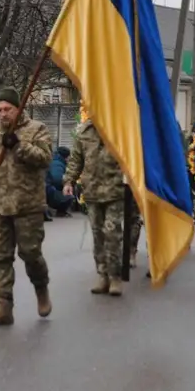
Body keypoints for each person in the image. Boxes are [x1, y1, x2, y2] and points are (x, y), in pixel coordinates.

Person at [0, 87, 54, 326]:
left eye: (8, 109)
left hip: (28, 205)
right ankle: (4, 305)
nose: (3, 114)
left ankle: (41, 288)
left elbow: (45, 159)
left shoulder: (37, 130)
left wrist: (19, 146)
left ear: (18, 109)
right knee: (1, 256)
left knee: (30, 253)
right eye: (0, 109)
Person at [65, 117, 128, 294]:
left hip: (114, 190)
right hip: (92, 190)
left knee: (112, 233)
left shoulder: (120, 129)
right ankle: (102, 274)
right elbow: (76, 159)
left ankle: (115, 276)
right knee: (97, 234)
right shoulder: (84, 131)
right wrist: (68, 181)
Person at [45, 147, 73, 218]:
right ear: (66, 157)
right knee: (69, 193)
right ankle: (60, 211)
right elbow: (57, 179)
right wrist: (64, 187)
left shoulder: (53, 161)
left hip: (46, 189)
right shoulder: (58, 164)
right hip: (50, 191)